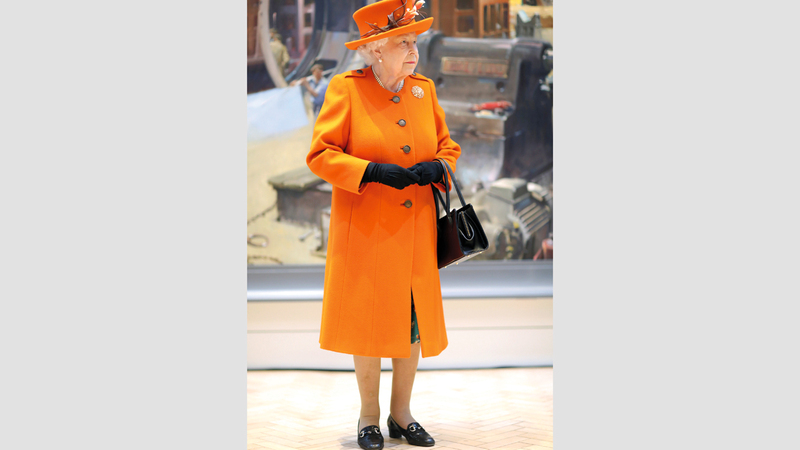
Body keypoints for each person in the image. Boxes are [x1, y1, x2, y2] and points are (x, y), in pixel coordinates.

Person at [305, 1, 459, 449]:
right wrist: (370, 171)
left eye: (414, 42)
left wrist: (439, 167)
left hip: (415, 235)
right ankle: (368, 416)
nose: (413, 51)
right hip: (368, 233)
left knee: (412, 326)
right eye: (402, 42)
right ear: (375, 50)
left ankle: (401, 414)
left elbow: (448, 147)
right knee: (368, 325)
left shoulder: (423, 90)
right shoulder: (346, 89)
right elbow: (321, 154)